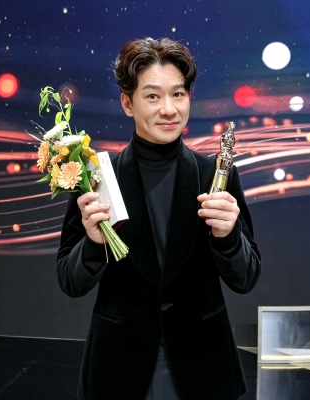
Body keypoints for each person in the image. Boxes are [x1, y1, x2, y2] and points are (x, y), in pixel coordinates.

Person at [57, 37, 262, 400]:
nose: (169, 109)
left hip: (202, 363)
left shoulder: (215, 174)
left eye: (178, 94)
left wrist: (228, 236)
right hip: (119, 365)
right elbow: (70, 281)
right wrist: (93, 243)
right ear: (127, 103)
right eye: (152, 96)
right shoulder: (97, 177)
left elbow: (246, 278)